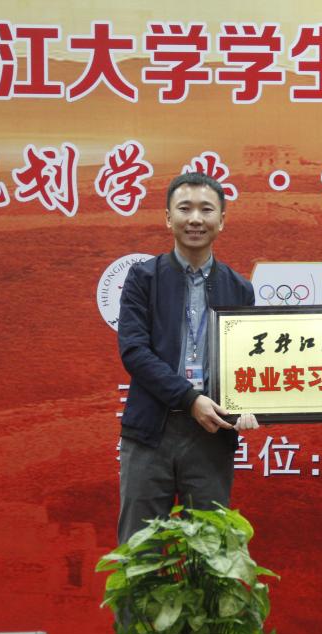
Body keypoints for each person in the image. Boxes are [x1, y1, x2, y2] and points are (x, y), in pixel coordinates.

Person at [116, 171, 258, 545]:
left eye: (206, 209)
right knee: (140, 552)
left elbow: (246, 362)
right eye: (185, 208)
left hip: (211, 435)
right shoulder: (143, 278)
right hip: (151, 432)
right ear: (168, 218)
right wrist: (189, 398)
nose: (195, 218)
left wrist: (250, 405)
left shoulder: (239, 289)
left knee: (212, 552)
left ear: (221, 220)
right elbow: (134, 352)